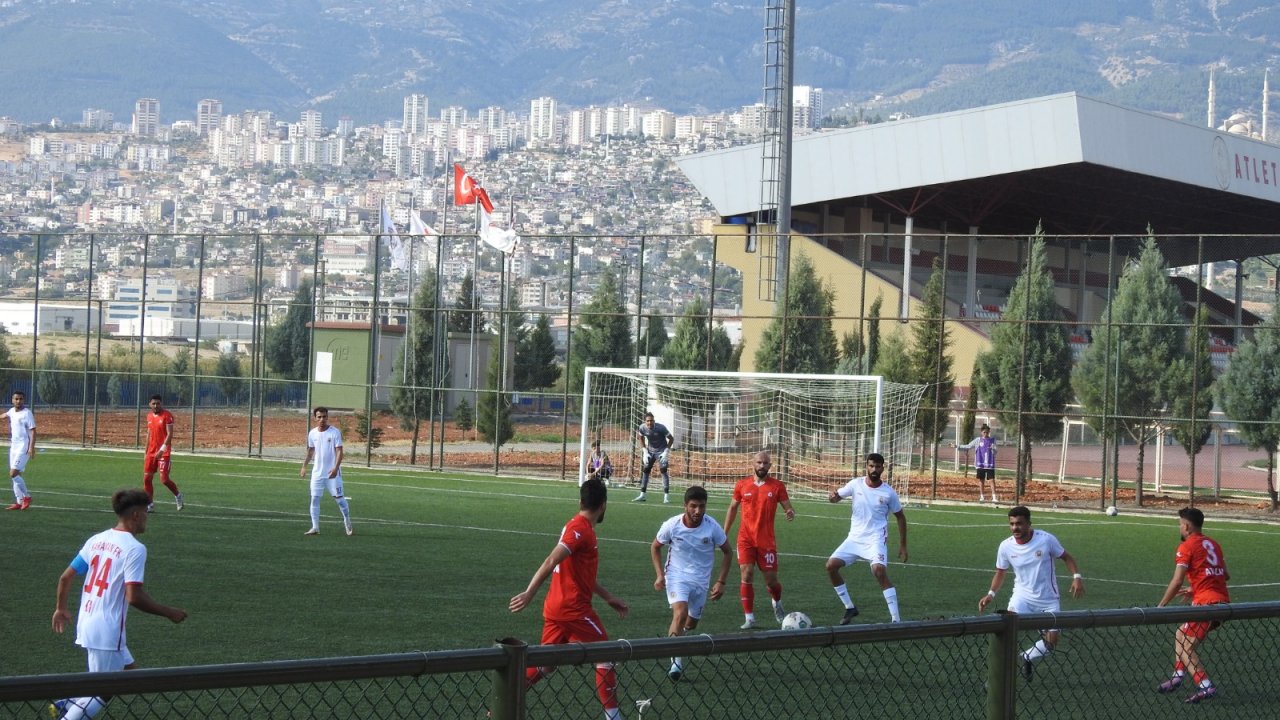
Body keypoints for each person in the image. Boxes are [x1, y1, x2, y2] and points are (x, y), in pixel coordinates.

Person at [49, 488, 187, 720]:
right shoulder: (135, 549)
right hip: (107, 629)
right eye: (146, 512)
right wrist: (169, 612)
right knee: (104, 690)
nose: (147, 518)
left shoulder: (97, 539)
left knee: (132, 678)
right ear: (135, 515)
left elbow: (66, 577)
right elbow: (134, 596)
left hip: (88, 621)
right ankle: (69, 713)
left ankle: (67, 703)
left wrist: (61, 608)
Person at [510, 477, 628, 720]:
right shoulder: (579, 529)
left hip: (556, 608)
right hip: (573, 609)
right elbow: (551, 560)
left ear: (580, 501)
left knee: (546, 664)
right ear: (603, 505)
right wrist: (529, 592)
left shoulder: (578, 527)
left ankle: (501, 705)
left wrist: (607, 597)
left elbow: (580, 574)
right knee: (606, 654)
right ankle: (613, 717)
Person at [978, 505, 1084, 682]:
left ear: (1029, 523)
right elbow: (1000, 572)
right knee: (1007, 633)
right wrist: (990, 594)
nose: (1015, 528)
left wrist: (1077, 577)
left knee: (1050, 644)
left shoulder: (1046, 539)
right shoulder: (1006, 546)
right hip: (1022, 598)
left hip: (1048, 600)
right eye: (1011, 524)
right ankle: (995, 680)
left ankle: (1027, 656)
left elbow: (1067, 557)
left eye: (1019, 524)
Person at [651, 485, 732, 681]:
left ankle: (679, 636)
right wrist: (660, 575)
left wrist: (721, 581)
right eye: (693, 506)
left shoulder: (712, 527)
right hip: (676, 576)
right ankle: (676, 661)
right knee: (680, 613)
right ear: (685, 505)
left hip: (701, 581)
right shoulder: (672, 525)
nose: (698, 511)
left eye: (702, 506)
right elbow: (655, 547)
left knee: (691, 623)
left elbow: (728, 552)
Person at [1155, 507, 1230, 704]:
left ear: (1187, 526)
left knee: (1187, 648)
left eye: (1180, 524)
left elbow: (1177, 581)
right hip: (1220, 601)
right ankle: (1178, 676)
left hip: (1207, 604)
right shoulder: (1214, 544)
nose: (1180, 528)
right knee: (1181, 634)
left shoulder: (1186, 546)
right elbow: (1225, 575)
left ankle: (1206, 686)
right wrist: (1196, 587)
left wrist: (1161, 606)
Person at [825, 453, 907, 624]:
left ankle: (896, 620)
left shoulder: (889, 493)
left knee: (879, 571)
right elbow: (836, 497)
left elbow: (900, 517)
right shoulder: (855, 484)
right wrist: (833, 498)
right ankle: (849, 607)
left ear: (882, 468)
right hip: (854, 539)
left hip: (876, 540)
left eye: (877, 467)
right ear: (866, 467)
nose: (874, 470)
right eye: (871, 466)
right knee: (831, 566)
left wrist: (902, 545)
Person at [723, 450, 796, 629]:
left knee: (771, 581)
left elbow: (788, 507)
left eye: (765, 463)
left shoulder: (777, 486)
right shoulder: (742, 485)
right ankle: (749, 617)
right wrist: (724, 532)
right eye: (759, 463)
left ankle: (776, 601)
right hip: (745, 539)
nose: (762, 466)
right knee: (746, 575)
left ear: (770, 466)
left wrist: (789, 512)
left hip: (766, 541)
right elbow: (732, 508)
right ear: (753, 464)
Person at [299, 406, 353, 536]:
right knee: (314, 499)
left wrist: (335, 468)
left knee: (339, 499)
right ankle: (315, 527)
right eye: (319, 417)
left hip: (332, 473)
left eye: (324, 416)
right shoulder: (312, 433)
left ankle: (347, 520)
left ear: (327, 417)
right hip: (317, 473)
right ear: (315, 418)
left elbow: (339, 451)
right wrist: (304, 466)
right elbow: (311, 451)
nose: (322, 419)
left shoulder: (335, 432)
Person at [143, 395, 184, 512]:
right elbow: (149, 434)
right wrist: (145, 452)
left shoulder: (167, 415)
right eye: (154, 403)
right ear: (150, 404)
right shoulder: (149, 416)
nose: (156, 406)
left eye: (158, 403)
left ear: (161, 404)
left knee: (164, 480)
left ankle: (178, 495)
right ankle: (150, 504)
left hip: (163, 452)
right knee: (147, 479)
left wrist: (162, 449)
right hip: (151, 452)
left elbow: (170, 434)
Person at [5, 390, 35, 510]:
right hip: (14, 447)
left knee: (13, 473)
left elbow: (33, 431)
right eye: (16, 399)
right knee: (16, 476)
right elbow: (4, 416)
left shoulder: (27, 413)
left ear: (24, 400)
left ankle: (27, 497)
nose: (18, 401)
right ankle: (19, 501)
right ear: (12, 400)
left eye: (21, 399)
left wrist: (31, 447)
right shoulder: (11, 411)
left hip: (24, 447)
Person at [634, 412, 674, 503]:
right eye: (648, 421)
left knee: (663, 470)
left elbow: (671, 438)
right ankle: (642, 495)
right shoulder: (642, 427)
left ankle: (666, 496)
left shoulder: (661, 428)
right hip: (650, 451)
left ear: (654, 421)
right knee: (646, 470)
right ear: (645, 421)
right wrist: (644, 451)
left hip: (661, 451)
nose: (649, 423)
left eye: (651, 421)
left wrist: (666, 452)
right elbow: (640, 437)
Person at [953, 423, 998, 503]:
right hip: (980, 464)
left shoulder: (993, 440)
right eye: (984, 432)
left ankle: (994, 497)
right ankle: (982, 497)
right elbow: (968, 446)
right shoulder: (978, 440)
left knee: (992, 480)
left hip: (990, 464)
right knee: (981, 480)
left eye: (987, 432)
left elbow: (995, 452)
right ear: (981, 432)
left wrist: (993, 448)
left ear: (989, 432)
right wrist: (957, 446)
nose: (986, 434)